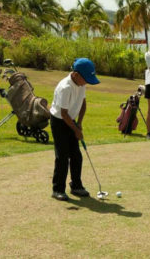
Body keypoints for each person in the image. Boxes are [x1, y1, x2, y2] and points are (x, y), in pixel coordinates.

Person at [50, 58, 100, 201]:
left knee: (76, 155)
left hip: (71, 120)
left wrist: (79, 123)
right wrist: (76, 130)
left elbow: (83, 104)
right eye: (86, 79)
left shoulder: (81, 83)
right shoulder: (65, 87)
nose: (87, 82)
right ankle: (57, 189)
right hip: (59, 121)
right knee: (62, 157)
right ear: (76, 74)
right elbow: (63, 113)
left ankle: (76, 186)